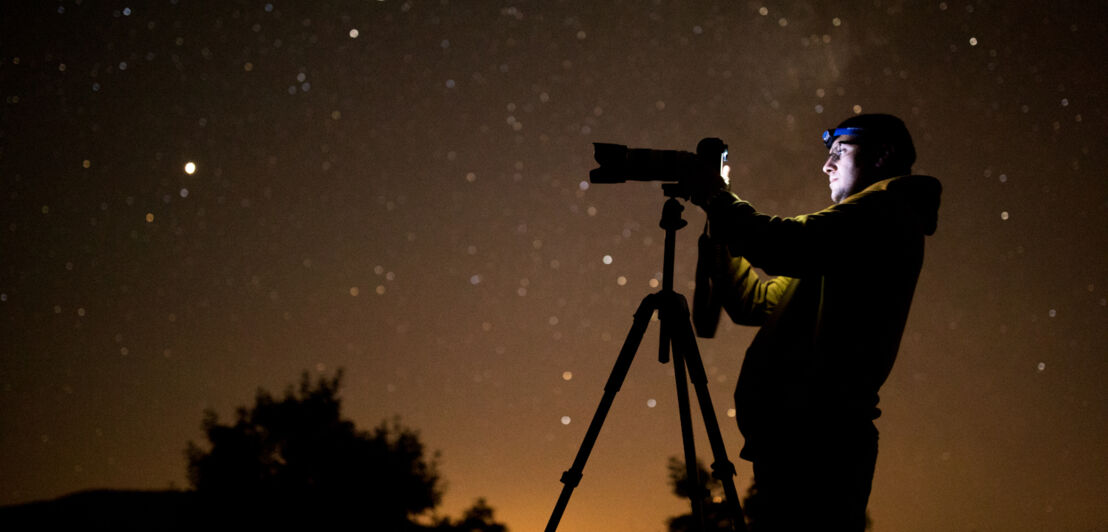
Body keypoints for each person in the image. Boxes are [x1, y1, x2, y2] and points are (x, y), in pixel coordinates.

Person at [689, 114, 941, 531]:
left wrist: (719, 199)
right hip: (799, 436)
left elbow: (785, 244)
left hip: (820, 442)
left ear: (882, 156)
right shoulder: (850, 233)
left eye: (840, 152)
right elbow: (756, 303)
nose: (827, 165)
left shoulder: (886, 210)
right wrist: (721, 223)